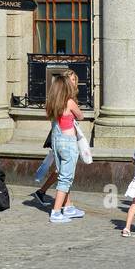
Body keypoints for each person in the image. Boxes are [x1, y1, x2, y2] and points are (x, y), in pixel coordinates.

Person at [46, 70, 85, 224]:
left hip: (56, 140)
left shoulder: (52, 102)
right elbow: (80, 116)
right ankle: (56, 212)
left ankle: (68, 206)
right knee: (66, 178)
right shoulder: (69, 102)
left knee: (62, 174)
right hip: (68, 142)